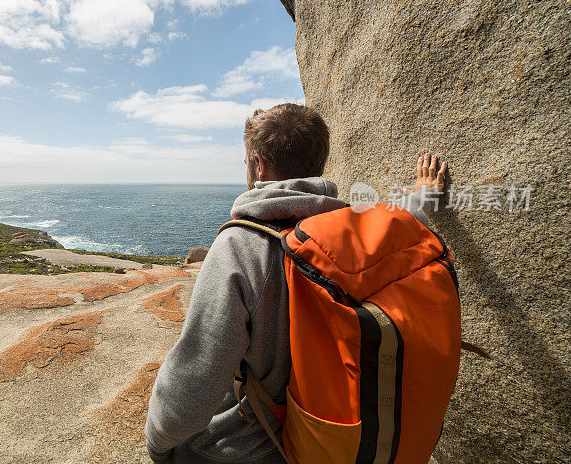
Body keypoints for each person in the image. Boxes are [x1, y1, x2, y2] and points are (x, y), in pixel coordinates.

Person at [144, 103, 447, 463]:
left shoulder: (241, 245)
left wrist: (157, 443)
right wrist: (425, 195)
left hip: (252, 449)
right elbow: (400, 225)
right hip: (333, 436)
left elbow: (193, 384)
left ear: (258, 165)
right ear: (319, 163)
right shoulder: (357, 232)